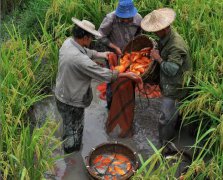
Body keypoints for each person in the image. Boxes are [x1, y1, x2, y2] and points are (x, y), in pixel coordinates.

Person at [55, 17, 142, 154]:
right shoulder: (79, 60)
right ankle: (72, 156)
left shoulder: (68, 43)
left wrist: (104, 54)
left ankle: (70, 147)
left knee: (68, 125)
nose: (91, 42)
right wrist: (127, 75)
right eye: (90, 38)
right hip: (71, 100)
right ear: (84, 37)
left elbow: (88, 53)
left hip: (61, 93)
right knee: (74, 130)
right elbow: (104, 74)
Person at [141, 8, 192, 145]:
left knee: (166, 117)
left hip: (176, 85)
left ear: (164, 28)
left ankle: (164, 143)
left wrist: (158, 59)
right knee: (175, 114)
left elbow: (172, 70)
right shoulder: (166, 37)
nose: (154, 33)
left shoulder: (176, 45)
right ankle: (174, 131)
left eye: (156, 30)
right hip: (169, 82)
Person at [98, 0, 142, 109]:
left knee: (130, 78)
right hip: (112, 54)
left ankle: (128, 103)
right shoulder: (111, 19)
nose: (126, 20)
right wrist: (114, 47)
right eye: (123, 17)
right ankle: (111, 105)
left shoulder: (138, 19)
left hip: (129, 55)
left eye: (128, 17)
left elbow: (139, 35)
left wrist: (135, 49)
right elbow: (99, 36)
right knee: (112, 79)